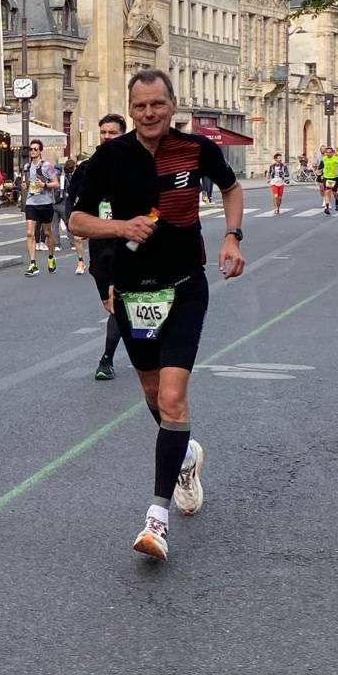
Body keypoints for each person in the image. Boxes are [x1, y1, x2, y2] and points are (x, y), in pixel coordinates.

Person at [69, 69, 245, 561]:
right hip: (132, 293)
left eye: (158, 105)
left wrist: (232, 236)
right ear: (131, 108)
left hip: (185, 286)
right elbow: (77, 219)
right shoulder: (109, 156)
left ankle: (156, 518)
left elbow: (231, 189)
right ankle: (186, 457)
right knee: (153, 395)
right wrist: (119, 225)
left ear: (172, 105)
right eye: (141, 106)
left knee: (172, 397)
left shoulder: (197, 150)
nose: (149, 113)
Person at [68, 113, 128, 378]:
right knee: (110, 301)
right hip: (100, 245)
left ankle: (107, 359)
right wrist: (76, 226)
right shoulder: (86, 168)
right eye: (103, 132)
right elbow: (73, 202)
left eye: (112, 133)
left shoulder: (135, 164)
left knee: (119, 300)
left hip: (128, 243)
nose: (106, 137)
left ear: (123, 134)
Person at [22, 138, 59, 276]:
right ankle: (32, 263)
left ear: (40, 151)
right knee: (30, 233)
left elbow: (56, 183)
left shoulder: (47, 166)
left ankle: (51, 257)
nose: (32, 151)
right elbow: (26, 182)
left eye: (35, 149)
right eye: (31, 149)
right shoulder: (26, 167)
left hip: (45, 202)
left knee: (48, 232)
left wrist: (44, 185)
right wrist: (24, 186)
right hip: (31, 202)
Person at [62, 159, 87, 274]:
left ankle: (95, 260)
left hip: (89, 208)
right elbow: (69, 198)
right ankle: (80, 262)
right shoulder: (71, 179)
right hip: (76, 208)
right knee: (77, 237)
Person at [319, 146, 338, 214]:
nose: (328, 154)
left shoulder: (336, 159)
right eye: (327, 152)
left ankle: (337, 202)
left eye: (330, 152)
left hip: (334, 177)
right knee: (327, 191)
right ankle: (327, 207)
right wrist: (318, 171)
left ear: (332, 153)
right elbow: (320, 167)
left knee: (334, 193)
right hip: (327, 177)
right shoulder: (324, 159)